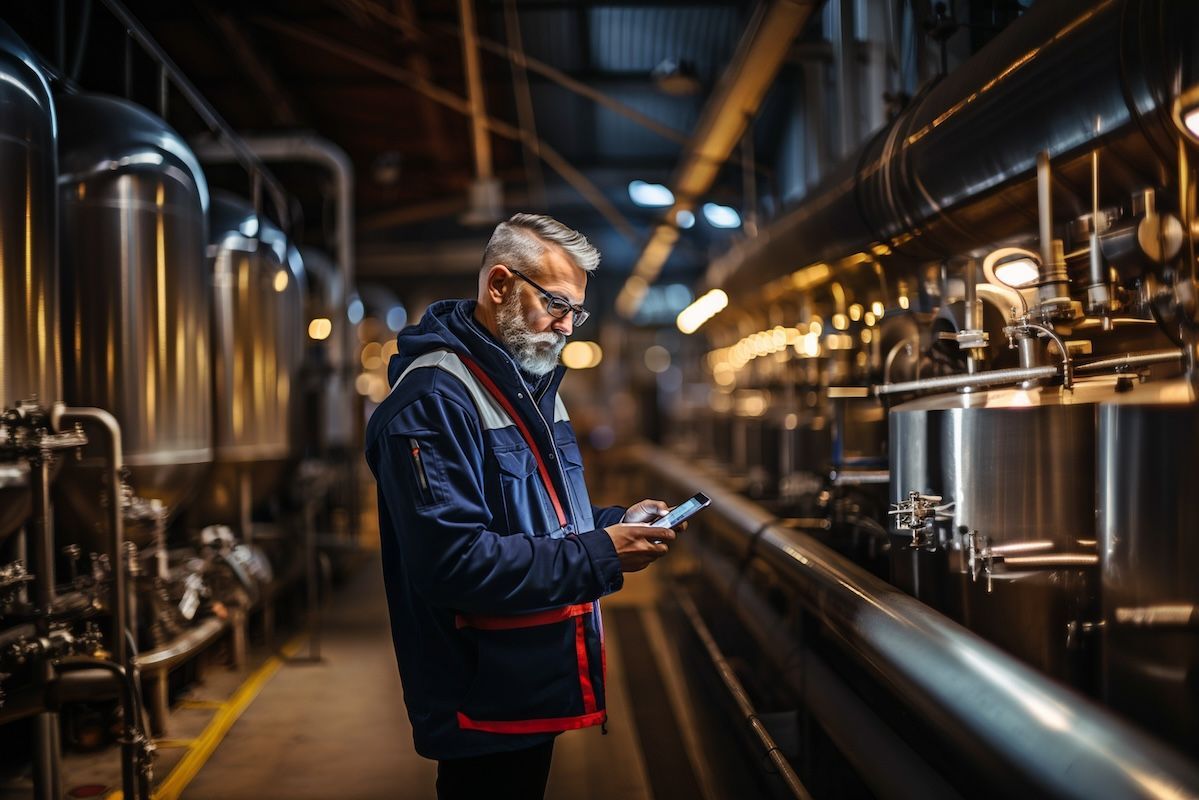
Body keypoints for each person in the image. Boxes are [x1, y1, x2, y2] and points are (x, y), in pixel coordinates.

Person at [365, 213, 679, 799]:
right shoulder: (433, 403)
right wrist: (600, 556)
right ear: (500, 286)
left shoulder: (528, 385)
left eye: (576, 313)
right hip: (483, 695)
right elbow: (454, 563)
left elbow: (543, 517)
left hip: (526, 682)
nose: (567, 328)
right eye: (557, 305)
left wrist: (614, 524)